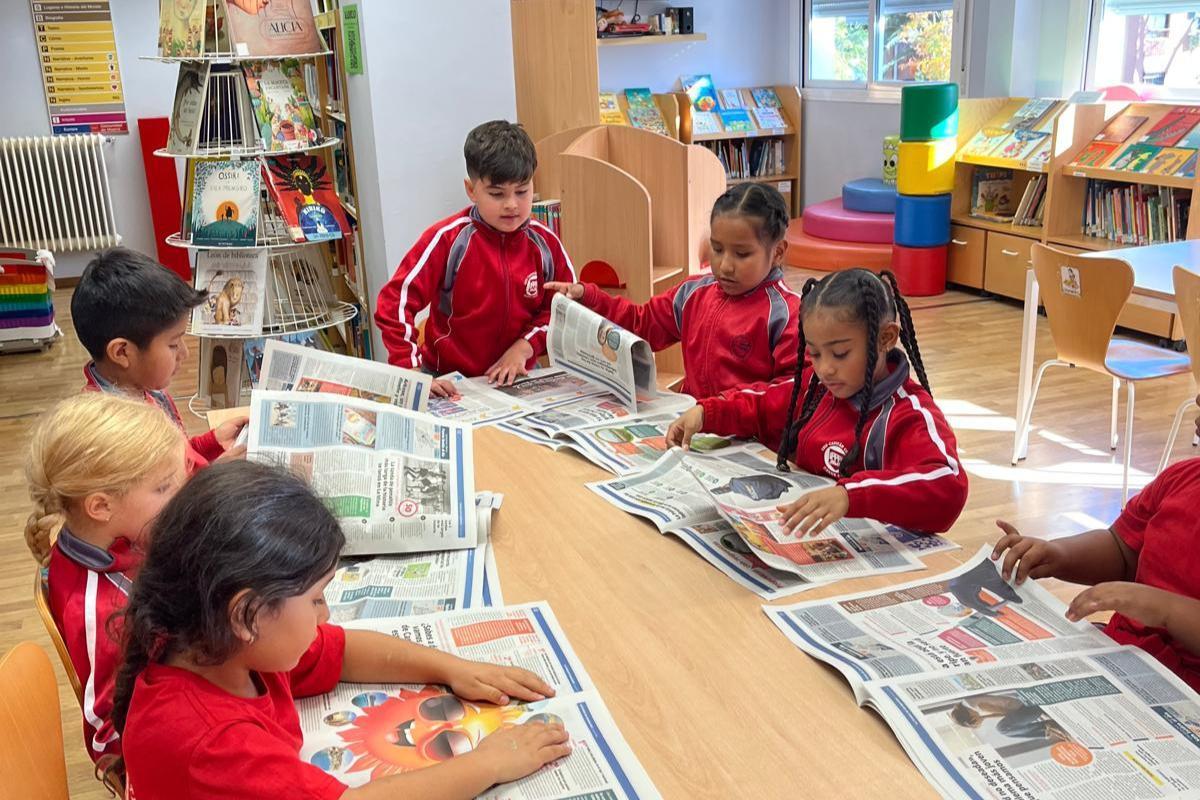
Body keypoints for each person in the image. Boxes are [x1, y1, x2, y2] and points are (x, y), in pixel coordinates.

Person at [113, 461, 571, 798]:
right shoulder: (211, 741)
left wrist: (452, 666)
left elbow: (344, 650)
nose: (325, 615)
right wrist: (489, 763)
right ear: (248, 614)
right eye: (315, 598)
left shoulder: (216, 640)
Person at [667, 268, 966, 535]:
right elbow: (761, 403)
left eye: (840, 354)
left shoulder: (909, 414)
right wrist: (707, 412)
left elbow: (948, 485)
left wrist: (850, 496)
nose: (825, 369)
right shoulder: (815, 386)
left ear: (886, 338)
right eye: (815, 353)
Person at [24, 393, 188, 770]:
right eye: (164, 487)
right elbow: (106, 734)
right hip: (162, 743)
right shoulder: (97, 609)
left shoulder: (110, 538)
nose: (179, 496)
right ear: (100, 506)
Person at [374, 120, 576, 397]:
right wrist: (410, 371)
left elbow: (563, 309)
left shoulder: (546, 244)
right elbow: (394, 303)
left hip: (520, 374)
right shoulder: (448, 239)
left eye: (522, 191)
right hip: (448, 379)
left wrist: (524, 347)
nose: (511, 205)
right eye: (496, 194)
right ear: (472, 190)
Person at [544, 182, 801, 400]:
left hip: (751, 441)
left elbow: (789, 390)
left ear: (777, 252)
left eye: (742, 254)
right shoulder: (693, 292)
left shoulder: (787, 314)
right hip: (695, 428)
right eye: (717, 249)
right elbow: (641, 323)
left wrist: (718, 411)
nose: (725, 265)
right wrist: (588, 296)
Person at [991, 458, 1200, 692]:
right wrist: (1058, 554)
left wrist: (1165, 609)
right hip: (1122, 654)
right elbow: (1122, 548)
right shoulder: (1184, 477)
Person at [71, 247, 246, 469]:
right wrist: (215, 477)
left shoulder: (147, 391)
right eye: (173, 344)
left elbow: (181, 458)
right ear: (122, 352)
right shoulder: (113, 435)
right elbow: (164, 497)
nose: (185, 353)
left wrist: (214, 442)